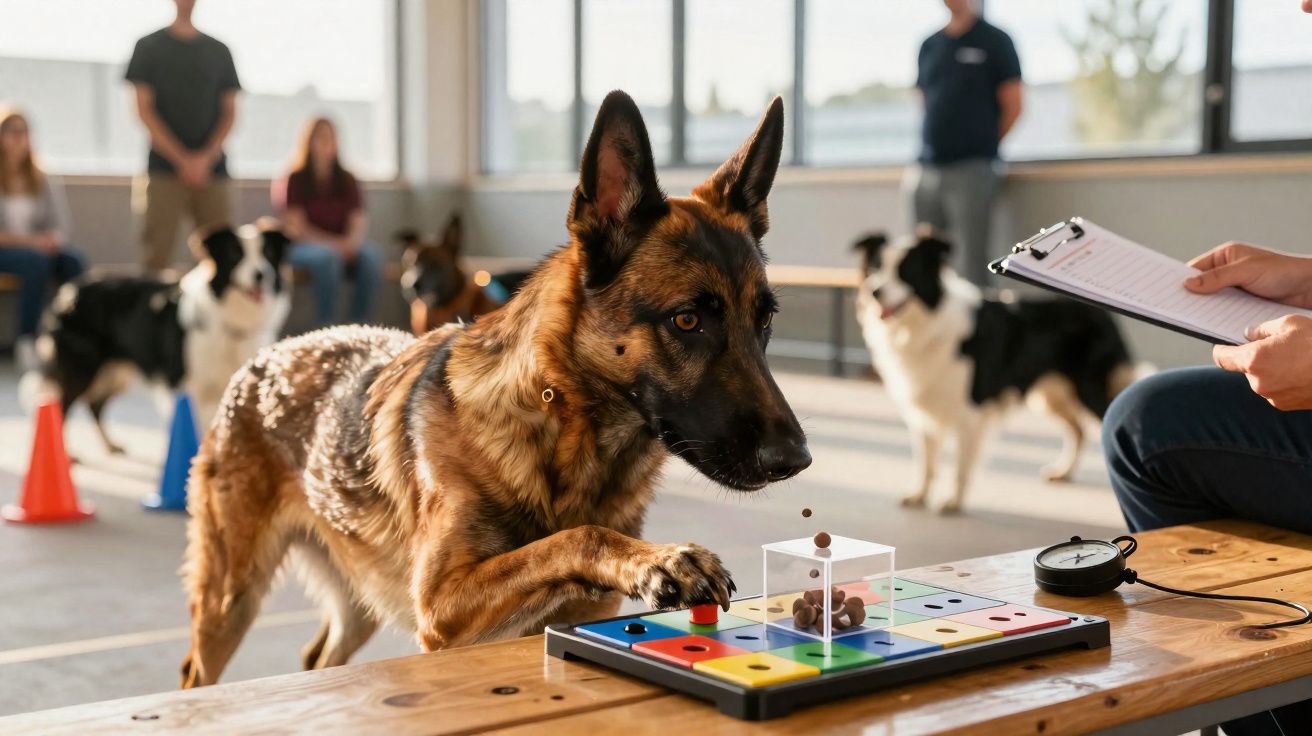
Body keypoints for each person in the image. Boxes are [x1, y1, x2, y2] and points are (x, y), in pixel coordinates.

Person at [906, 0, 1022, 285]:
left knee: (973, 266)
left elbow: (1014, 106)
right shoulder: (929, 45)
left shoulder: (996, 40)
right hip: (927, 169)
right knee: (923, 265)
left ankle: (980, 330)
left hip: (973, 168)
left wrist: (981, 146)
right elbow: (925, 101)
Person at [125, 0, 239, 275]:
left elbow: (230, 113)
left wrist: (204, 158)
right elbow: (143, 110)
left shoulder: (219, 51)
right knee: (155, 260)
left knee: (222, 261)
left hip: (213, 172)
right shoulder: (148, 47)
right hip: (163, 171)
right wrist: (183, 160)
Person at [272, 117, 380, 326]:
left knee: (370, 257)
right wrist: (333, 246)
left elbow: (358, 220)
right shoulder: (294, 178)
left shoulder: (348, 179)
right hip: (303, 246)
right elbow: (297, 227)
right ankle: (325, 326)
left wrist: (350, 243)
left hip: (342, 244)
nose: (326, 143)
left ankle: (358, 326)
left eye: (330, 138)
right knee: (327, 259)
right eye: (320, 137)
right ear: (309, 142)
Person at [0, 109, 86, 370]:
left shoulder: (42, 177)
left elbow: (61, 225)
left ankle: (73, 339)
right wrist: (34, 242)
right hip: (8, 251)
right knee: (35, 262)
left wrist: (52, 240)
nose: (18, 138)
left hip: (38, 250)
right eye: (11, 131)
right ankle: (27, 339)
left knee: (74, 262)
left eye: (23, 132)